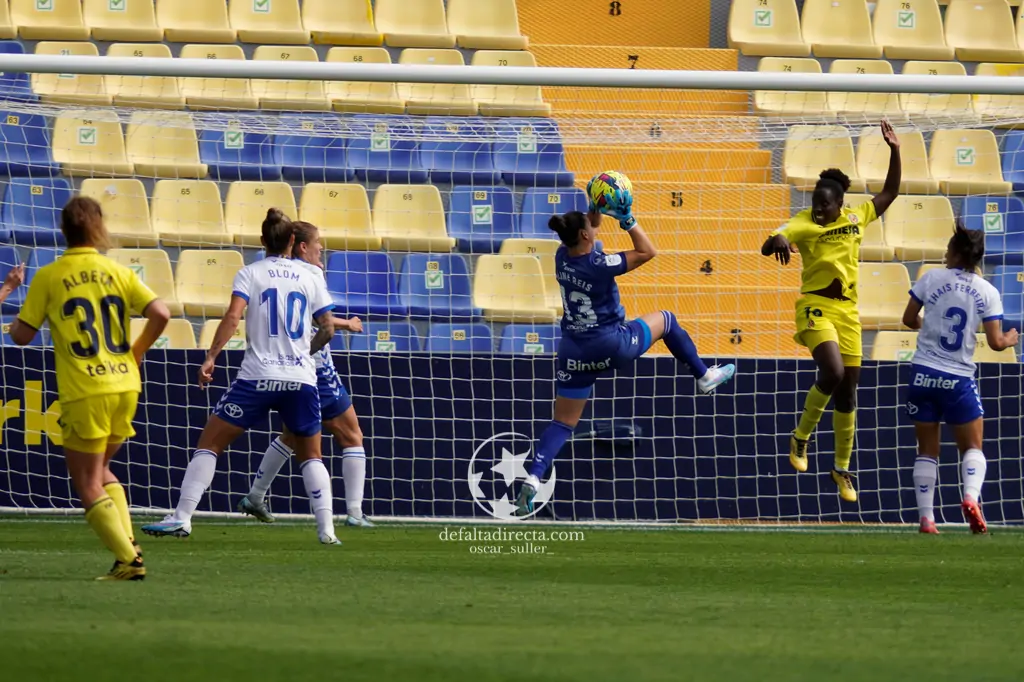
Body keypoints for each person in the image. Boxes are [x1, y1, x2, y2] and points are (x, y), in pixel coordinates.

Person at [517, 179, 736, 515]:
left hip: (574, 351)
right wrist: (628, 217)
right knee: (666, 319)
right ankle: (704, 375)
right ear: (586, 235)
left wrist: (596, 203)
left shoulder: (562, 256)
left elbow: (589, 230)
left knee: (562, 424)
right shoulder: (599, 265)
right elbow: (648, 251)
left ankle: (533, 477)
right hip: (610, 343)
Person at [142, 209, 341, 544]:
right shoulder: (310, 277)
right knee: (311, 455)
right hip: (301, 380)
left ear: (262, 241)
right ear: (293, 241)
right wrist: (304, 354)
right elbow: (329, 327)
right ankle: (327, 531)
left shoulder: (250, 273)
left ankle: (182, 517)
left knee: (210, 443)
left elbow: (233, 317)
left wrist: (211, 356)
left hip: (257, 378)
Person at [10, 197, 170, 580]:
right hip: (126, 383)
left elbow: (21, 335)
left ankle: (130, 560)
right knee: (102, 470)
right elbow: (161, 313)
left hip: (86, 386)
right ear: (99, 227)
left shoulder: (50, 275)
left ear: (64, 230)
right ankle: (125, 552)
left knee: (85, 481)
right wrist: (137, 351)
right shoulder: (116, 271)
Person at [762, 120, 902, 503]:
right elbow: (778, 237)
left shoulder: (857, 219)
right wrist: (777, 241)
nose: (819, 210)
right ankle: (800, 437)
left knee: (848, 394)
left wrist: (895, 150)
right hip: (815, 307)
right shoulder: (804, 224)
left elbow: (890, 192)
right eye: (815, 204)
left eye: (825, 204)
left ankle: (841, 468)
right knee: (834, 372)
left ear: (840, 205)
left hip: (848, 313)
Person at [237, 220, 373, 528]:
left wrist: (341, 323)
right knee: (351, 435)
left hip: (281, 364)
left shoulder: (276, 271)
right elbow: (320, 320)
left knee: (293, 435)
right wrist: (345, 324)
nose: (321, 252)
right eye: (318, 245)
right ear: (301, 246)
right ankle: (354, 513)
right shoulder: (310, 273)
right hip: (315, 366)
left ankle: (255, 497)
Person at [901, 223, 1018, 534]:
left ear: (954, 253)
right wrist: (1010, 338)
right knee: (973, 447)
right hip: (958, 379)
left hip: (923, 374)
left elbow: (908, 319)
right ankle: (970, 497)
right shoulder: (988, 291)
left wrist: (928, 327)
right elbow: (994, 342)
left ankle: (927, 519)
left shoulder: (930, 279)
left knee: (926, 450)